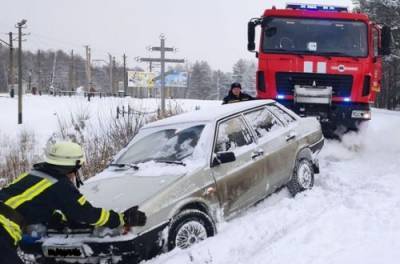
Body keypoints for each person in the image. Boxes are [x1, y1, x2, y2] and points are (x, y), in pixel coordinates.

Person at [0, 141, 146, 264]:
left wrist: (57, 219)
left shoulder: (34, 174)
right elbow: (87, 213)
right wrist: (121, 218)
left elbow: (31, 205)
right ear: (73, 166)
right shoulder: (59, 184)